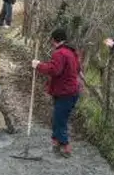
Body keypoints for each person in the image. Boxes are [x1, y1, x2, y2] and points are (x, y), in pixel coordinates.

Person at [31, 28, 82, 158]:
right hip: (71, 91)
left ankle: (65, 146)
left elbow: (54, 70)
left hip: (65, 92)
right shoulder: (72, 51)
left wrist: (38, 65)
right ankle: (56, 142)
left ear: (54, 40)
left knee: (60, 119)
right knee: (58, 117)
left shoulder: (59, 53)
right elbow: (77, 68)